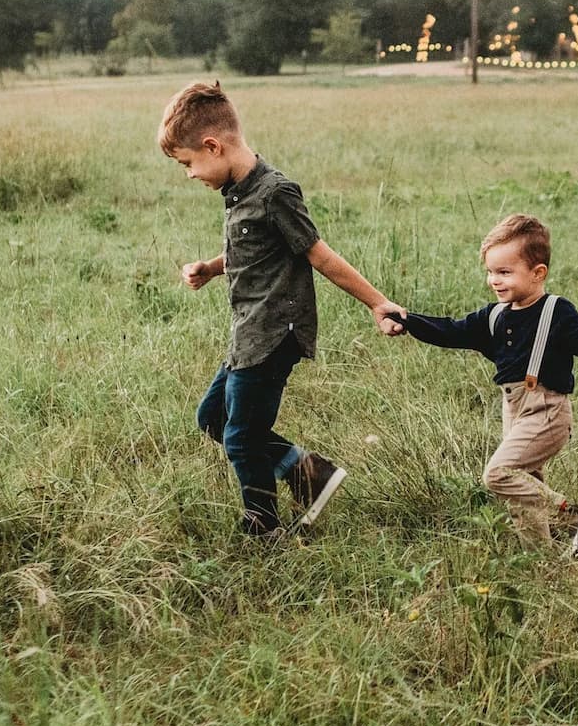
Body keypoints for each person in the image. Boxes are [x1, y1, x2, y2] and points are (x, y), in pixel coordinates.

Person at [158, 80, 400, 539]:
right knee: (212, 418)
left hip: (273, 333)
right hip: (247, 332)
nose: (189, 174)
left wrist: (378, 303)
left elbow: (320, 255)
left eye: (188, 164)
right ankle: (309, 473)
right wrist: (212, 267)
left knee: (241, 437)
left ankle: (263, 527)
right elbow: (255, 252)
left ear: (213, 146)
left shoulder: (275, 193)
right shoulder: (239, 193)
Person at [388, 214, 578, 555]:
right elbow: (451, 331)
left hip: (548, 411)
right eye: (491, 272)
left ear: (538, 273)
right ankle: (544, 563)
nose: (494, 280)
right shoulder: (494, 316)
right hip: (514, 410)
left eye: (505, 272)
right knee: (524, 492)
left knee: (499, 474)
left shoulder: (556, 310)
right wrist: (407, 321)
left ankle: (568, 514)